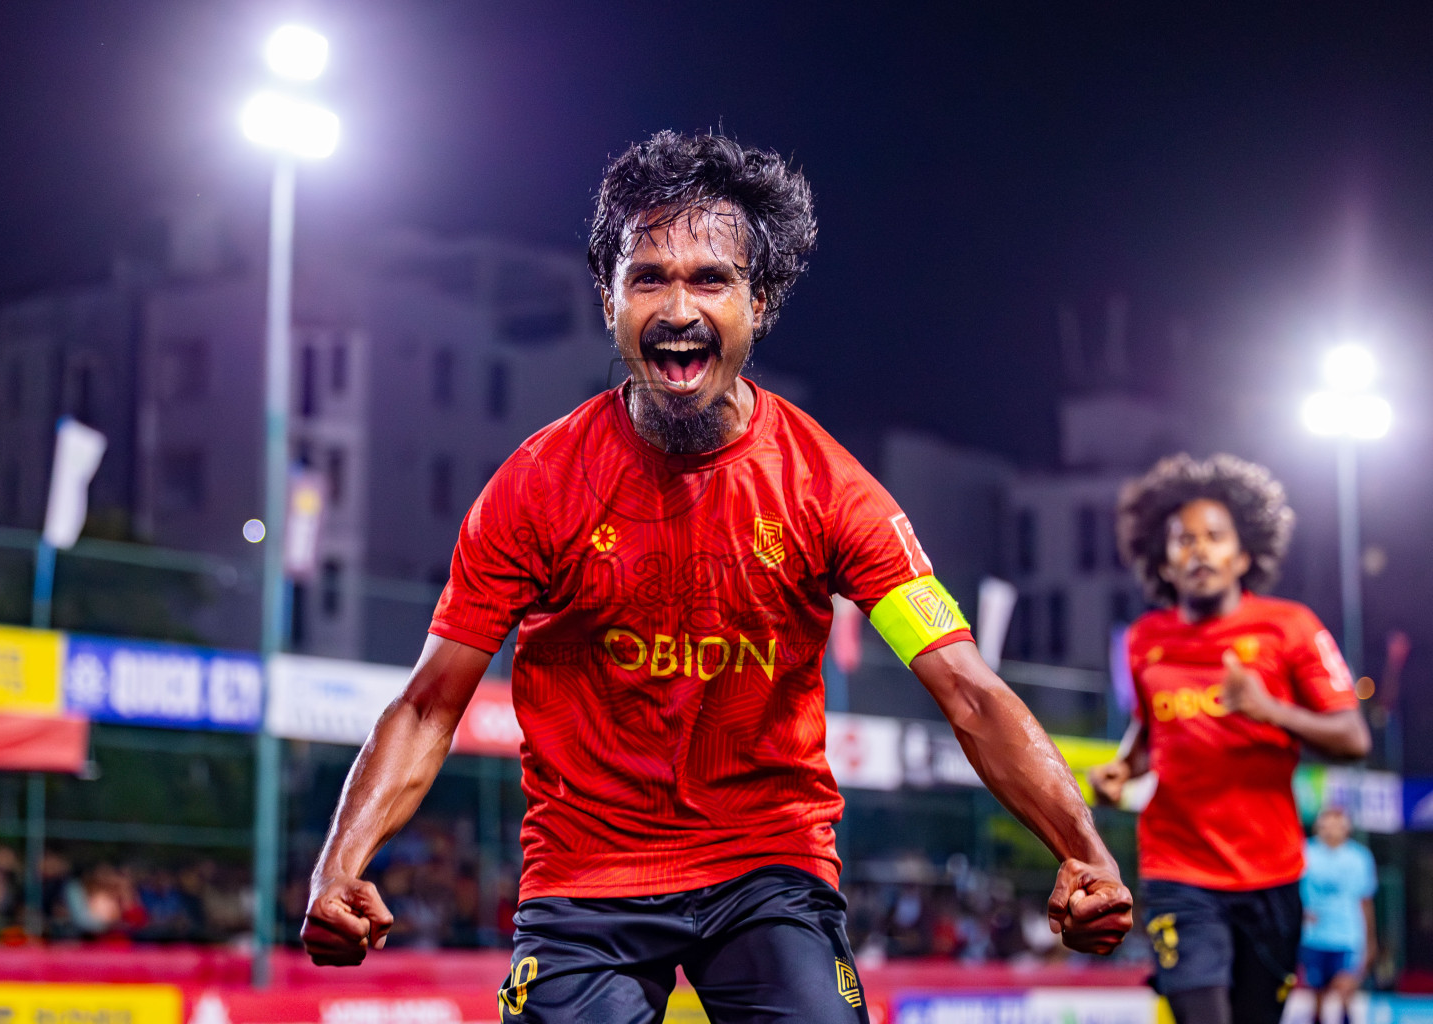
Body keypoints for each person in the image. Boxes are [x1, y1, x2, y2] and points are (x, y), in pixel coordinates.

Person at [302, 130, 1132, 1021]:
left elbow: (966, 689)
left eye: (711, 278)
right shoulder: (536, 486)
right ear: (609, 298)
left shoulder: (830, 491)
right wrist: (339, 863)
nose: (678, 306)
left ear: (760, 301)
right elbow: (431, 702)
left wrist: (1083, 847)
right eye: (649, 276)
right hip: (586, 878)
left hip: (768, 868)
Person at [1090, 453, 1371, 1024]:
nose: (1198, 550)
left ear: (1244, 554)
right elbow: (1149, 727)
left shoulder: (1289, 627)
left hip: (1271, 874)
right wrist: (1124, 767)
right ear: (1162, 561)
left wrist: (1269, 710)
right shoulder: (1145, 640)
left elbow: (1351, 737)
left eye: (1214, 537)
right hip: (1178, 869)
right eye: (1182, 540)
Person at [1299, 806, 1378, 1024]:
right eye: (1326, 823)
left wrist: (1370, 942)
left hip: (1347, 938)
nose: (1331, 829)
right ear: (1318, 826)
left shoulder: (1360, 858)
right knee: (1317, 996)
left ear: (1346, 828)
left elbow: (1366, 901)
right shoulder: (1304, 852)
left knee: (1345, 991)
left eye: (1337, 823)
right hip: (1313, 938)